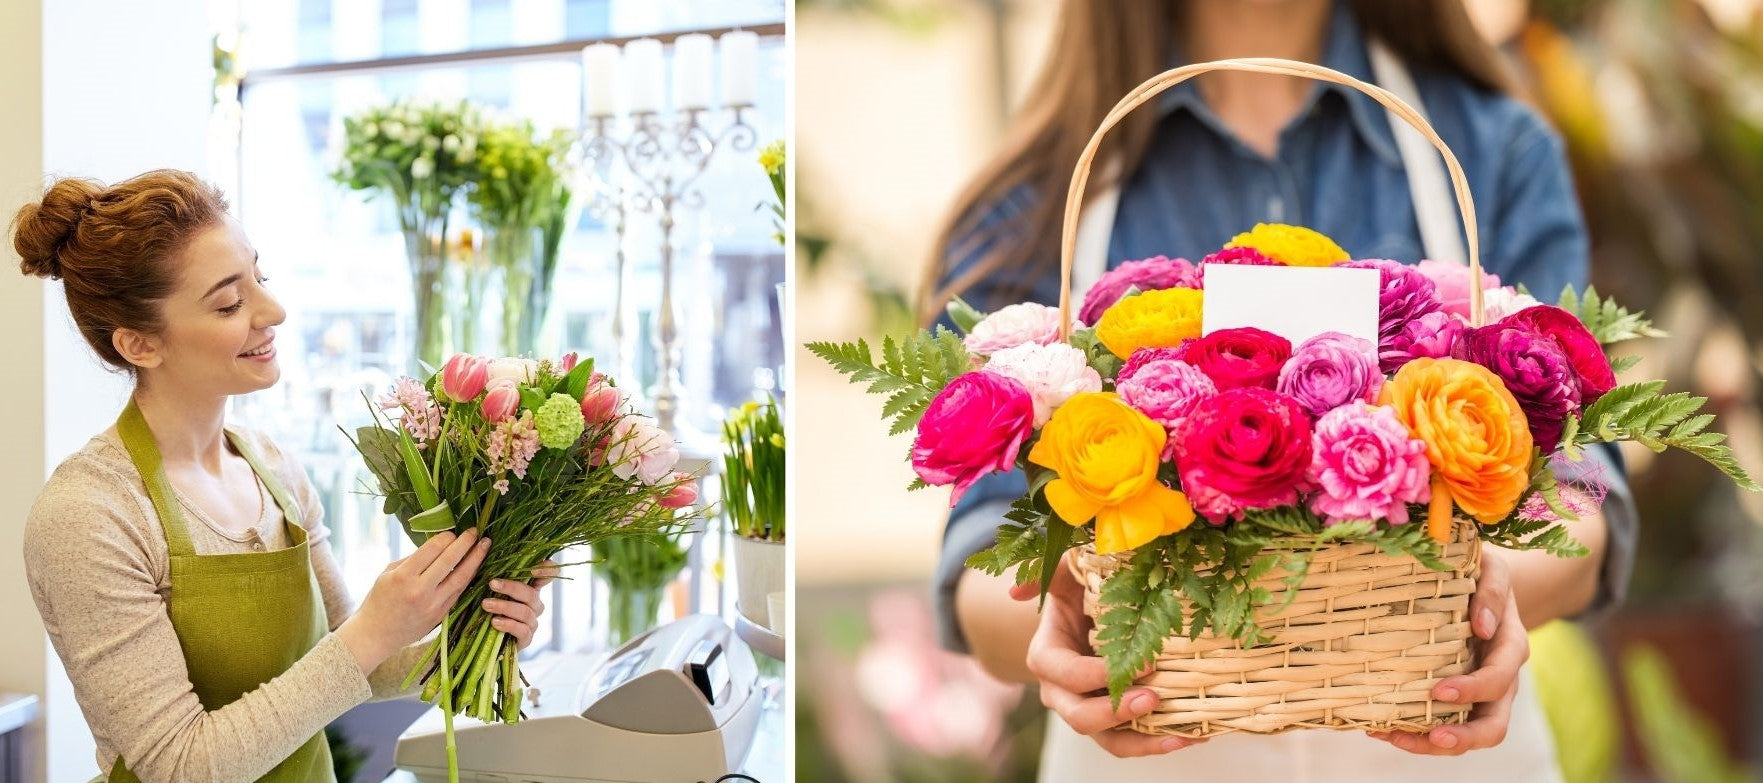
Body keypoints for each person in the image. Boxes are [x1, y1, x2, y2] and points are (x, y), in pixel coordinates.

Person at [926, 1, 1636, 779]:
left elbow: (1581, 487)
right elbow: (982, 545)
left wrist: (1487, 598)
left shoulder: (1493, 148)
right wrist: (1062, 615)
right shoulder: (1035, 194)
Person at [13, 170, 555, 783]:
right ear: (139, 345)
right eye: (229, 303)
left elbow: (359, 666)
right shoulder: (89, 515)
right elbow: (179, 765)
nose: (273, 312)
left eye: (259, 279)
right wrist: (374, 630)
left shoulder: (273, 467)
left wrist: (477, 639)